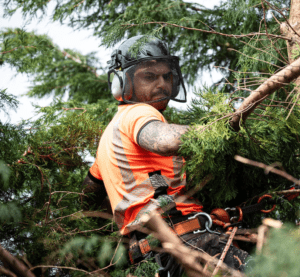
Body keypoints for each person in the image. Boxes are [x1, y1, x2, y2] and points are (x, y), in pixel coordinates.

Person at [81, 35, 250, 276]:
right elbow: (166, 141)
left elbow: (87, 195)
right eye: (149, 76)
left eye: (166, 76)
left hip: (152, 257)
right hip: (189, 245)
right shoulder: (137, 113)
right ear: (122, 82)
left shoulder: (110, 135)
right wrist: (221, 128)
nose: (161, 84)